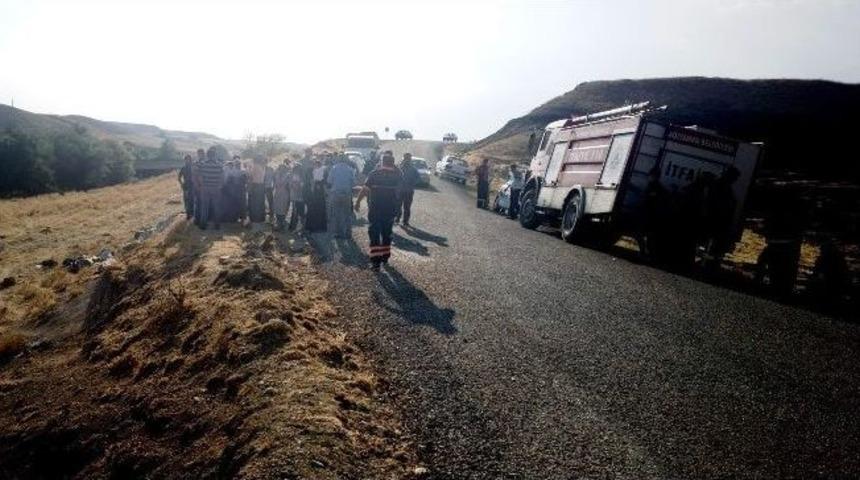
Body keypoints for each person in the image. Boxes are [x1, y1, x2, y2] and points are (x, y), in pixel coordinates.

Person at [355, 152, 402, 271]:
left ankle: (376, 262)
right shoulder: (398, 175)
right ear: (392, 163)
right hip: (390, 210)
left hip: (375, 209)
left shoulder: (374, 174)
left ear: (382, 162)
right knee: (387, 234)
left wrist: (357, 202)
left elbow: (365, 190)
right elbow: (401, 192)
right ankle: (385, 257)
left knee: (375, 234)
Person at [327, 155, 356, 238]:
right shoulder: (350, 169)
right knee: (347, 214)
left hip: (335, 193)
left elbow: (329, 181)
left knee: (336, 213)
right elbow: (354, 183)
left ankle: (336, 232)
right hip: (347, 194)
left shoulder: (334, 168)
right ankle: (348, 233)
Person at [197, 147, 224, 230]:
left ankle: (203, 225)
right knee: (216, 206)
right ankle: (217, 225)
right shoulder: (219, 165)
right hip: (216, 188)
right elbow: (222, 177)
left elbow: (200, 177)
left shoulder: (203, 164)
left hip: (206, 188)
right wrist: (220, 186)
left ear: (207, 155)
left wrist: (202, 185)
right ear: (215, 155)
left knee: (204, 207)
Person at [395, 153, 419, 226]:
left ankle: (405, 221)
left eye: (408, 158)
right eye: (406, 158)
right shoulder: (399, 167)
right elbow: (394, 177)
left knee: (407, 207)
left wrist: (412, 183)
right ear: (404, 158)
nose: (407, 160)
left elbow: (417, 178)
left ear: (410, 159)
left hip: (408, 191)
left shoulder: (413, 169)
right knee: (398, 206)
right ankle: (398, 219)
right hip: (400, 190)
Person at [305, 158, 328, 232]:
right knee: (319, 209)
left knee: (315, 209)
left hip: (316, 193)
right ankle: (319, 227)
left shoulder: (316, 171)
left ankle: (314, 226)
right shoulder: (320, 171)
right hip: (318, 193)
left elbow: (314, 183)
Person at [272, 159, 292, 231]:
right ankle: (278, 223)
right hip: (277, 193)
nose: (281, 169)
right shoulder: (276, 175)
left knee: (283, 209)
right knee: (277, 208)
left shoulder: (288, 176)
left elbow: (289, 186)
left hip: (284, 194)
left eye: (283, 168)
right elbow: (274, 184)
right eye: (280, 168)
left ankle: (282, 224)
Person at [247, 156, 268, 224]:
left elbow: (250, 176)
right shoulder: (262, 167)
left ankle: (255, 218)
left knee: (254, 203)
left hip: (255, 185)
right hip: (261, 185)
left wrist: (249, 169)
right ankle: (261, 218)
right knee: (260, 202)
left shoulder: (255, 166)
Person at [288, 163, 306, 231]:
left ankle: (297, 227)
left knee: (298, 213)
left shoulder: (299, 177)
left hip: (299, 197)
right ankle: (296, 227)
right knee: (297, 213)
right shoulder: (294, 176)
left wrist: (295, 184)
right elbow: (292, 186)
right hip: (297, 197)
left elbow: (298, 187)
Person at [178, 154, 195, 220]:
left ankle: (192, 213)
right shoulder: (183, 168)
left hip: (193, 185)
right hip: (186, 186)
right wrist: (181, 184)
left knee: (192, 200)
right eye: (186, 159)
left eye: (189, 159)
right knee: (187, 200)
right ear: (185, 160)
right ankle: (188, 214)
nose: (188, 160)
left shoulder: (193, 167)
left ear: (190, 160)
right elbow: (179, 177)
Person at [192, 149, 206, 226]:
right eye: (200, 154)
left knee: (201, 204)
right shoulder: (196, 163)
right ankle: (197, 220)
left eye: (203, 154)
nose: (202, 155)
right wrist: (197, 186)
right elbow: (194, 176)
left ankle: (200, 219)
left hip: (203, 186)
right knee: (198, 204)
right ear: (198, 154)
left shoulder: (204, 163)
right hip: (199, 187)